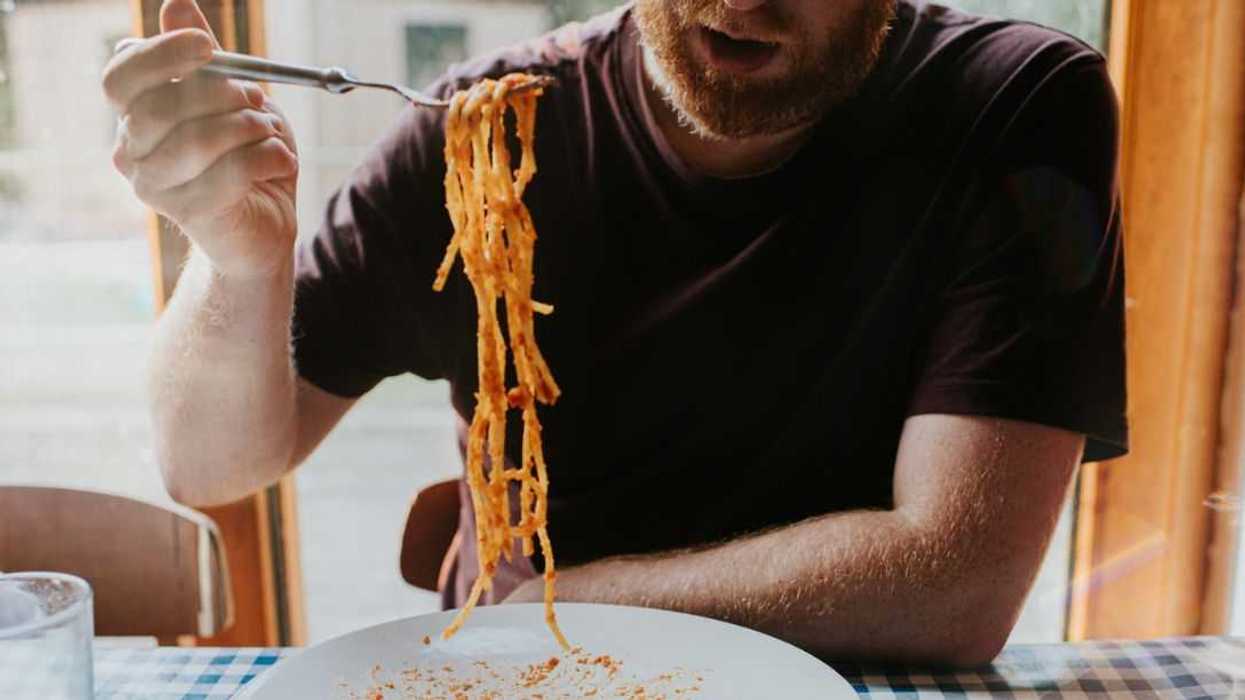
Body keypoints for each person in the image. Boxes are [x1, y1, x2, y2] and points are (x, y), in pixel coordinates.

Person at [103, 0, 1127, 665]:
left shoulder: (1015, 105)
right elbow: (207, 462)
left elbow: (960, 584)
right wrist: (237, 260)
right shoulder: (486, 133)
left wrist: (562, 599)